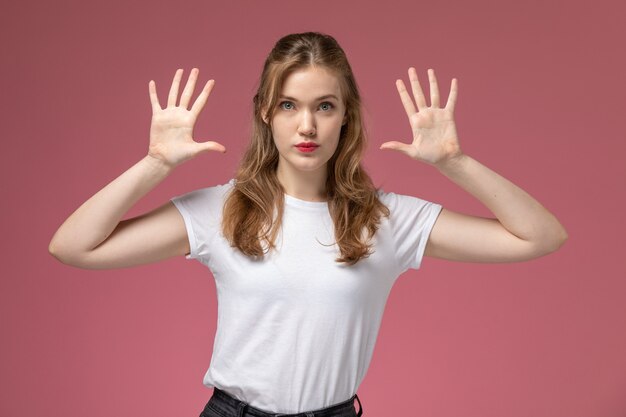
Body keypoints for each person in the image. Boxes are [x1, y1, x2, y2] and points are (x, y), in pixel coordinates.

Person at [48, 32, 568, 417]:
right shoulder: (221, 210)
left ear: (347, 117)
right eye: (289, 105)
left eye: (325, 106)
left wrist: (454, 162)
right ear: (265, 115)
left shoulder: (385, 219)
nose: (307, 126)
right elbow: (73, 247)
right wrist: (156, 164)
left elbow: (540, 236)